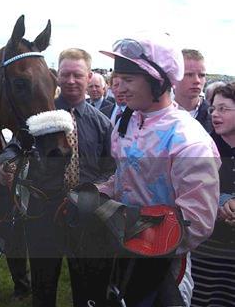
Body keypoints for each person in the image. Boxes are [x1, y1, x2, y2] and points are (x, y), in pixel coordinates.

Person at [97, 34, 220, 306]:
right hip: (123, 255)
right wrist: (97, 194)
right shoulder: (127, 122)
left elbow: (196, 221)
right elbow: (122, 178)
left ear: (158, 82)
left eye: (128, 80)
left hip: (165, 268)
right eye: (117, 80)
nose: (120, 87)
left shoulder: (189, 140)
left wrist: (122, 219)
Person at [0, 48, 115, 306]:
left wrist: (95, 190)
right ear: (56, 76)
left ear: (89, 77)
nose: (71, 80)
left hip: (86, 216)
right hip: (44, 215)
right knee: (44, 287)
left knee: (86, 289)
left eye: (77, 75)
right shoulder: (39, 118)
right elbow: (12, 148)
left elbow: (111, 168)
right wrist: (6, 164)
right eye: (65, 74)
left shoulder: (103, 124)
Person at [190, 82, 235, 307]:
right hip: (206, 252)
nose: (215, 114)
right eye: (213, 108)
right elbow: (189, 191)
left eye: (223, 109)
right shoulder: (201, 148)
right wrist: (221, 204)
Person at [174, 49, 211, 132]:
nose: (197, 80)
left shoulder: (214, 116)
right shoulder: (158, 115)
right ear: (174, 76)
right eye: (189, 74)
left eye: (201, 75)